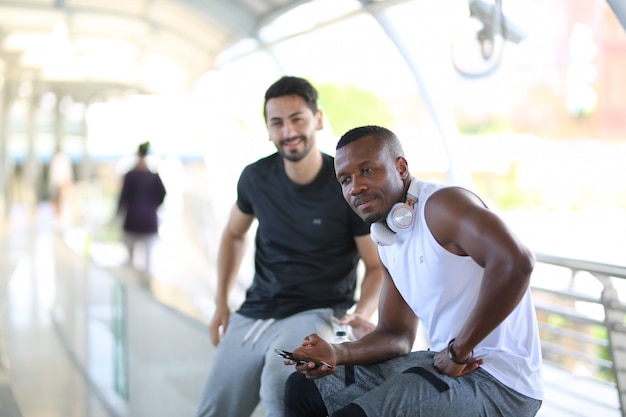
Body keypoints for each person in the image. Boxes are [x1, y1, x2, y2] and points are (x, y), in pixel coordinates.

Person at [283, 125, 544, 417]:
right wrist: (337, 352)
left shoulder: (443, 206)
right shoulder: (387, 235)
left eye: (367, 170)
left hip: (500, 382)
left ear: (402, 167)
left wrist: (458, 350)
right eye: (345, 180)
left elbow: (516, 262)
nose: (355, 187)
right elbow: (395, 335)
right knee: (303, 389)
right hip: (444, 362)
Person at [194, 77, 383, 417]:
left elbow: (375, 265)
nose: (288, 131)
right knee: (213, 408)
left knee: (277, 393)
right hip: (255, 312)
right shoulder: (255, 177)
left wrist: (362, 313)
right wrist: (221, 302)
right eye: (277, 122)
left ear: (318, 120)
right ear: (268, 130)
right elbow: (233, 235)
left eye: (297, 119)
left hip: (317, 312)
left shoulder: (345, 183)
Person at [116, 141, 166, 274]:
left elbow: (123, 199)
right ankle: (146, 288)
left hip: (133, 221)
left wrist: (117, 216)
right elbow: (162, 195)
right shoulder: (153, 177)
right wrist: (151, 207)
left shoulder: (131, 176)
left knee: (131, 262)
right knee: (147, 262)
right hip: (148, 221)